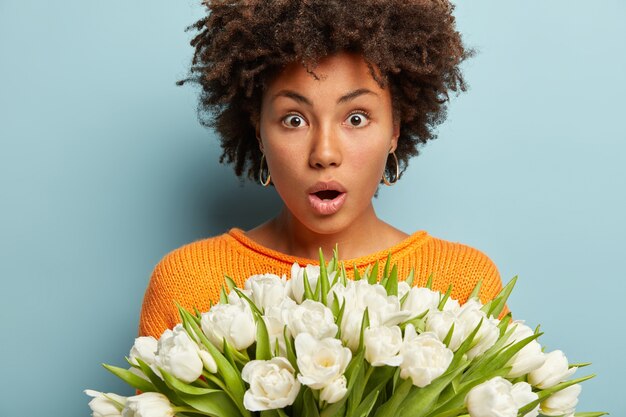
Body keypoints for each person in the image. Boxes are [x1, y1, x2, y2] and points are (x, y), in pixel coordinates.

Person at [138, 0, 507, 339]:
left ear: (394, 130)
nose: (324, 153)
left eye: (357, 118)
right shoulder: (186, 286)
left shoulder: (463, 287)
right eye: (294, 120)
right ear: (259, 133)